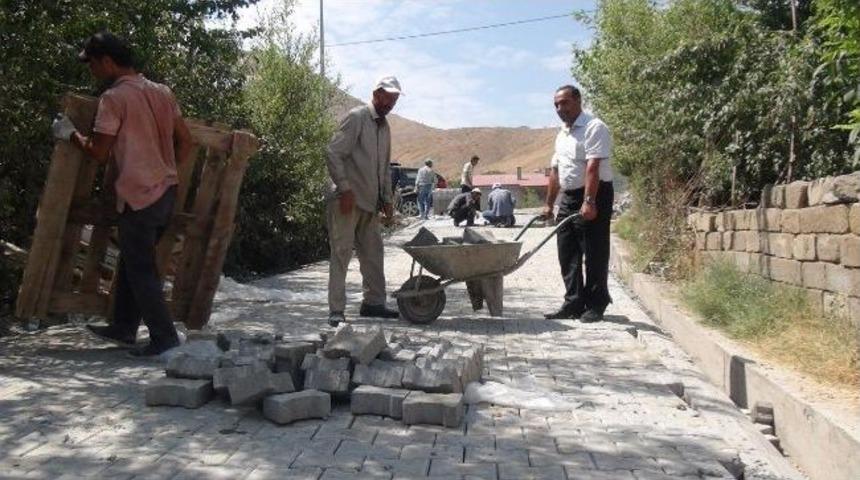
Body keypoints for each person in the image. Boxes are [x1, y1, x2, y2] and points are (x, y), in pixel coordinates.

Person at [52, 32, 193, 356]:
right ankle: (124, 327)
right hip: (165, 192)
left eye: (93, 65)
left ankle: (164, 338)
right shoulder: (162, 92)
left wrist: (69, 134)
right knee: (133, 261)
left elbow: (100, 151)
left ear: (107, 61)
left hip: (139, 194)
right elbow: (185, 141)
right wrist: (165, 169)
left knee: (141, 268)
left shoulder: (114, 99)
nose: (93, 73)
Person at [325, 75, 403, 327]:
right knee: (341, 254)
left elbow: (384, 169)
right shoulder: (357, 117)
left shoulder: (385, 128)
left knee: (373, 255)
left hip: (370, 203)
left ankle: (373, 303)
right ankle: (336, 310)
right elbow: (333, 153)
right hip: (346, 201)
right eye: (388, 97)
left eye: (395, 99)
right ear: (376, 94)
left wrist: (387, 200)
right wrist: (345, 189)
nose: (390, 103)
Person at [543, 85, 614, 323]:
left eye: (564, 103)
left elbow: (592, 167)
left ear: (578, 101)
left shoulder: (595, 127)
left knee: (593, 251)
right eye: (556, 105)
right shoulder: (562, 134)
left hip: (595, 193)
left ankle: (596, 304)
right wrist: (549, 204)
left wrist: (589, 201)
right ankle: (573, 303)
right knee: (567, 250)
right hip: (570, 196)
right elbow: (555, 171)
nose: (560, 108)